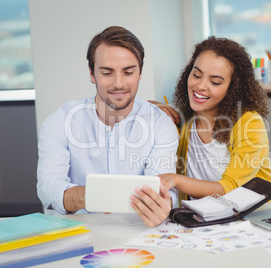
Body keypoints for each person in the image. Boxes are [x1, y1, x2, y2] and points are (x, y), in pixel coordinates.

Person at [37, 26, 179, 227]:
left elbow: (163, 187)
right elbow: (48, 189)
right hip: (77, 233)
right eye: (107, 73)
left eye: (128, 72)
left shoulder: (161, 125)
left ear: (140, 73)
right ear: (92, 74)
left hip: (139, 232)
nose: (119, 83)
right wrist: (94, 194)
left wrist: (165, 203)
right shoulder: (60, 121)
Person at [158, 36, 271, 203]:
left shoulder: (250, 124)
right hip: (210, 220)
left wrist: (177, 180)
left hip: (256, 217)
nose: (201, 86)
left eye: (215, 82)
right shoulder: (185, 121)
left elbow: (230, 188)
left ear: (233, 89)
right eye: (196, 75)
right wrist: (152, 107)